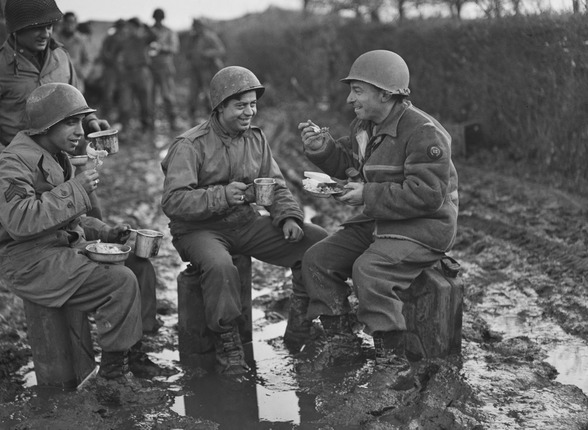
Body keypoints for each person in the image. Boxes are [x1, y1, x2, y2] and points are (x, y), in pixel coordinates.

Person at [0, 82, 168, 398]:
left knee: (137, 263)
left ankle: (133, 352)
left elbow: (68, 220)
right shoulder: (12, 165)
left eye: (80, 121)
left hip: (57, 248)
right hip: (27, 260)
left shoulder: (56, 156)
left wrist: (106, 232)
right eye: (70, 122)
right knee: (119, 281)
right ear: (45, 126)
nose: (79, 131)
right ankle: (113, 375)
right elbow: (22, 221)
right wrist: (77, 189)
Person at [296, 50, 459, 374]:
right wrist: (323, 150)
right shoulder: (366, 125)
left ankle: (392, 359)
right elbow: (352, 163)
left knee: (369, 270)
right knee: (316, 260)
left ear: (385, 93)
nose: (349, 99)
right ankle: (343, 343)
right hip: (379, 219)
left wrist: (367, 194)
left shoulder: (424, 132)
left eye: (357, 91)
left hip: (424, 226)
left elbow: (427, 195)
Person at [160, 66, 328, 375]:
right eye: (240, 105)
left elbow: (275, 183)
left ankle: (301, 322)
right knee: (221, 266)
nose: (249, 111)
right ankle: (228, 344)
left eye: (252, 104)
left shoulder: (256, 139)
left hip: (244, 222)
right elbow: (173, 201)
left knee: (315, 243)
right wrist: (221, 196)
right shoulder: (189, 145)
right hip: (198, 230)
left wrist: (288, 216)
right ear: (220, 107)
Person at [0, 0, 110, 164]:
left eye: (49, 26)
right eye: (37, 27)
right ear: (16, 28)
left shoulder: (62, 59)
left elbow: (76, 106)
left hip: (62, 163)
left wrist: (91, 121)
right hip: (18, 169)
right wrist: (1, 156)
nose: (46, 34)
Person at [118, 17, 156, 134]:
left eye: (131, 27)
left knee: (145, 102)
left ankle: (146, 127)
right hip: (128, 73)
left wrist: (146, 26)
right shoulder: (125, 40)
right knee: (125, 102)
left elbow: (154, 37)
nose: (129, 30)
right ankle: (125, 128)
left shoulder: (143, 39)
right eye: (128, 27)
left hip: (141, 71)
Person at [185, 19, 226, 125]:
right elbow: (187, 53)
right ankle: (192, 117)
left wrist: (207, 53)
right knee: (193, 94)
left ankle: (214, 117)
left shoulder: (210, 37)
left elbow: (220, 50)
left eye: (197, 26)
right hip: (195, 70)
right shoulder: (192, 38)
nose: (196, 29)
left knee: (209, 93)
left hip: (207, 69)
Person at [148, 8, 180, 131]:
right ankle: (150, 123)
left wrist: (161, 47)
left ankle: (173, 120)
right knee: (150, 96)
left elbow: (174, 48)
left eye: (159, 18)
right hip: (151, 67)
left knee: (168, 95)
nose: (158, 20)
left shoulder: (169, 32)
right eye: (156, 18)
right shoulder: (149, 32)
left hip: (165, 66)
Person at [96, 19, 126, 124]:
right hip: (111, 69)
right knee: (108, 93)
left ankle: (121, 118)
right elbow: (104, 52)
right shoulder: (109, 39)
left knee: (123, 94)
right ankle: (106, 116)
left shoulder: (126, 39)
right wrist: (111, 60)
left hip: (122, 70)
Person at [54, 12, 92, 93]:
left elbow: (88, 60)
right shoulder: (54, 38)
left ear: (76, 24)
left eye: (72, 22)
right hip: (57, 77)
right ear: (63, 23)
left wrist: (83, 72)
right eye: (67, 22)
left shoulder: (81, 40)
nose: (69, 25)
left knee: (76, 102)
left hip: (76, 78)